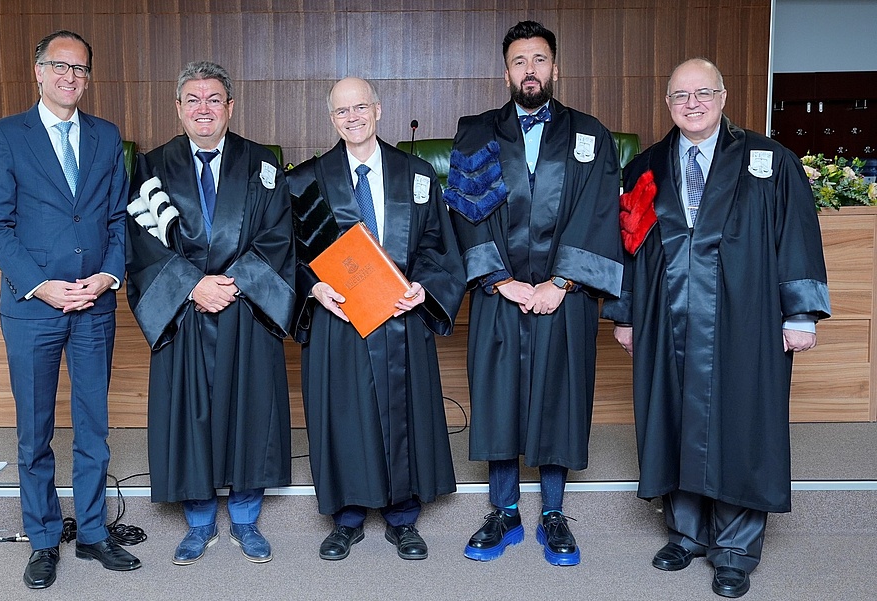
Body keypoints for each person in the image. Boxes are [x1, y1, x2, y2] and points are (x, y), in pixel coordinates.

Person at [604, 58, 830, 598]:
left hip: (745, 320)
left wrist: (799, 314)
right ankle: (685, 533)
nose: (692, 104)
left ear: (724, 97)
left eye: (703, 93)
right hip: (666, 318)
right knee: (672, 418)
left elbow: (795, 235)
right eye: (680, 96)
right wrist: (628, 315)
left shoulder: (768, 161)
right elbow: (628, 246)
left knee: (741, 422)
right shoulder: (646, 167)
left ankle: (733, 546)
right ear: (667, 104)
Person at [445, 21, 623, 566]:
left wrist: (560, 284)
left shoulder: (590, 135)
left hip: (563, 296)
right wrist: (502, 281)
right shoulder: (475, 132)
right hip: (500, 291)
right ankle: (503, 511)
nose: (530, 70)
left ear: (554, 67)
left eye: (539, 59)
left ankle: (552, 513)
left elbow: (598, 216)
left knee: (559, 394)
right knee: (498, 396)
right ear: (506, 72)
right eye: (519, 61)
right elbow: (463, 214)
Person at [0, 30, 140, 589]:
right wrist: (42, 286)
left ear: (88, 78)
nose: (70, 76)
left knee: (94, 430)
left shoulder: (105, 136)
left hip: (94, 305)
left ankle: (94, 533)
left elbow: (118, 219)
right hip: (34, 308)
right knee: (35, 432)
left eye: (80, 69)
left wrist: (108, 276)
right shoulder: (6, 136)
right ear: (39, 72)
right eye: (59, 66)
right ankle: (44, 537)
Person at [287, 77, 466, 561]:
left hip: (400, 314)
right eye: (342, 111)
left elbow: (437, 245)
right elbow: (289, 256)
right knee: (342, 412)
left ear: (378, 109)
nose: (352, 118)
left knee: (403, 412)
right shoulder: (306, 180)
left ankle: (402, 517)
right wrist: (313, 288)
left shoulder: (417, 173)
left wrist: (424, 288)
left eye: (360, 107)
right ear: (332, 118)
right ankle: (346, 518)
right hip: (339, 319)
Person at [125, 60, 294, 567]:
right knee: (188, 414)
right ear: (178, 108)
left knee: (250, 410)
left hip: (245, 306)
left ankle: (245, 518)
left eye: (213, 99)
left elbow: (280, 236)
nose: (204, 108)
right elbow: (140, 244)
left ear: (230, 107)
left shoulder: (262, 163)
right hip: (185, 311)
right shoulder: (151, 167)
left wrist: (233, 282)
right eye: (193, 100)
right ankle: (199, 522)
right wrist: (192, 285)